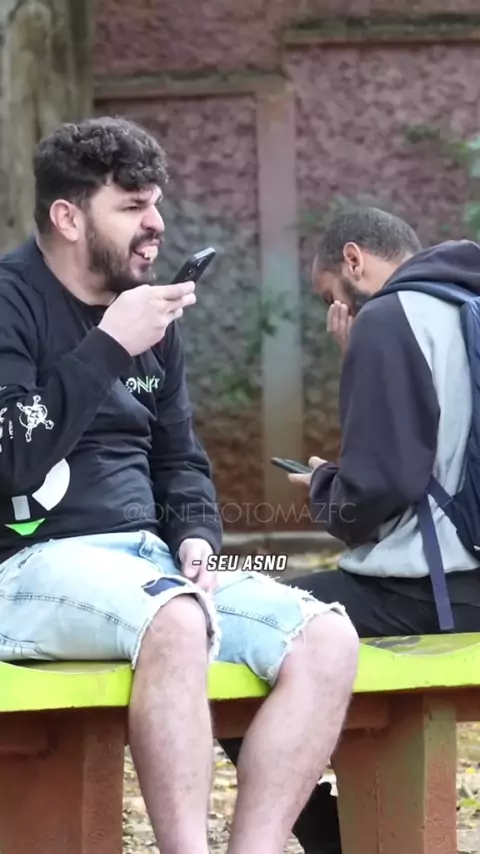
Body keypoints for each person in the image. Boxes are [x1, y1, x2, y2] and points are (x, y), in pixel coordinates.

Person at [0, 116, 359, 854]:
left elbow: (180, 460)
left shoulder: (152, 316)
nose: (156, 225)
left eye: (156, 204)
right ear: (68, 217)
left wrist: (196, 536)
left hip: (148, 565)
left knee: (327, 639)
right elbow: (10, 455)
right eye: (132, 206)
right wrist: (109, 345)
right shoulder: (13, 301)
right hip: (28, 565)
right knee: (177, 618)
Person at [219, 206, 480, 854]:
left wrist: (324, 487)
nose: (333, 310)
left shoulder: (389, 319)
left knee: (221, 630)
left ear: (354, 261)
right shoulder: (464, 303)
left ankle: (328, 836)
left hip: (430, 593)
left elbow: (377, 492)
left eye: (328, 295)